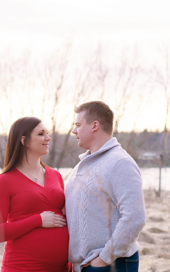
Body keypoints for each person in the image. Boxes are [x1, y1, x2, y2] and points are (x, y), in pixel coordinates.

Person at [65, 101, 146, 272]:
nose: (74, 131)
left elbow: (134, 217)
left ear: (95, 126)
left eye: (78, 125)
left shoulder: (120, 162)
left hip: (111, 264)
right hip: (84, 265)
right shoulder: (82, 165)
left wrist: (104, 259)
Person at [0, 116, 71, 272]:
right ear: (24, 140)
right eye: (41, 134)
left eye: (47, 133)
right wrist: (38, 220)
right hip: (23, 266)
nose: (48, 138)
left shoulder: (56, 176)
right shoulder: (4, 181)